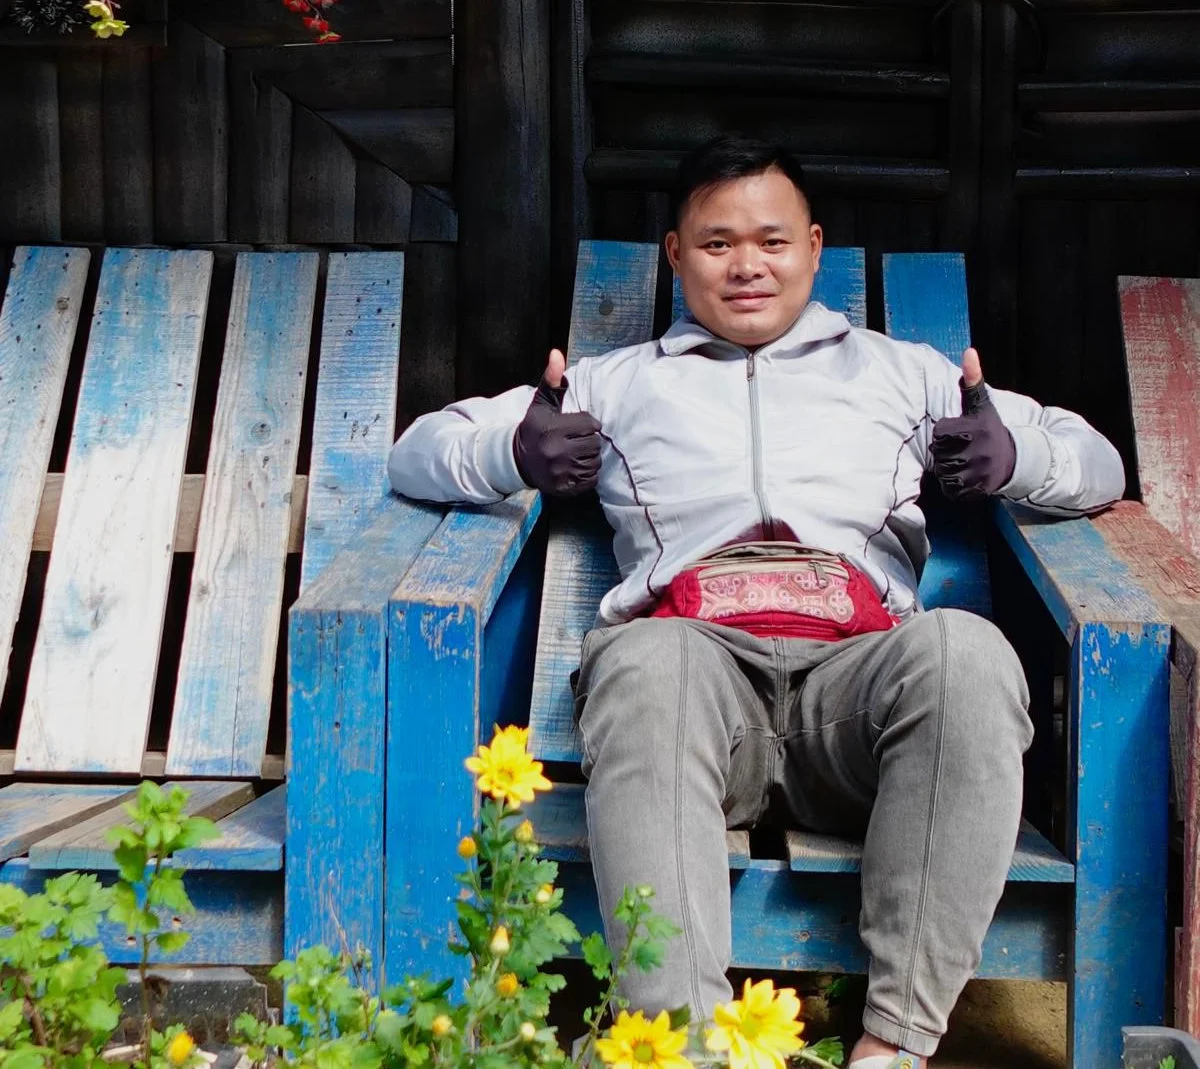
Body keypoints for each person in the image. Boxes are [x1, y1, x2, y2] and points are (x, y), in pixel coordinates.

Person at [387, 137, 1124, 1069]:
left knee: (966, 652)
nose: (747, 265)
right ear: (675, 255)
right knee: (644, 658)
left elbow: (1097, 459)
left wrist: (1021, 460)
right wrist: (513, 456)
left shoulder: (908, 375)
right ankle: (682, 1051)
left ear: (814, 249)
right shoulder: (616, 384)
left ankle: (894, 1044)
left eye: (772, 241)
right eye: (717, 242)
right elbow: (419, 448)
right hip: (696, 688)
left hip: (854, 697)